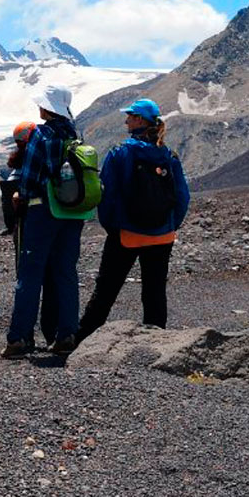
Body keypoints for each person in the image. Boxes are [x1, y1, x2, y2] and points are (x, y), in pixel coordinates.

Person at [76, 98, 190, 342]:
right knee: (154, 291)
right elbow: (182, 196)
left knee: (106, 290)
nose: (126, 120)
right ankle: (157, 342)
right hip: (162, 236)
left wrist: (114, 228)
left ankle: (83, 339)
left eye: (130, 116)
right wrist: (170, 225)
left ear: (139, 120)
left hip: (127, 234)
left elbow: (107, 195)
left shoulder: (121, 152)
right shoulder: (169, 155)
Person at [1, 86, 84, 359]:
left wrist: (20, 197)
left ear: (47, 108)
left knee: (30, 274)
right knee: (66, 273)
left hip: (42, 211)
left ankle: (19, 338)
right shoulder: (74, 134)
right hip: (71, 213)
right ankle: (66, 335)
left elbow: (29, 177)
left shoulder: (41, 134)